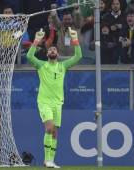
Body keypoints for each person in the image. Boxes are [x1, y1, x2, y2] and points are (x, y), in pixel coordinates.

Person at [26, 27, 82, 168]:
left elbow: (78, 57)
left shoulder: (63, 66)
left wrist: (75, 38)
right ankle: (47, 160)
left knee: (55, 133)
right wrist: (36, 41)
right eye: (50, 49)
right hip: (44, 102)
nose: (52, 51)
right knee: (49, 128)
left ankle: (50, 160)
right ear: (47, 53)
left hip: (58, 103)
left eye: (54, 50)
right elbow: (29, 57)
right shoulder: (42, 66)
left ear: (57, 54)